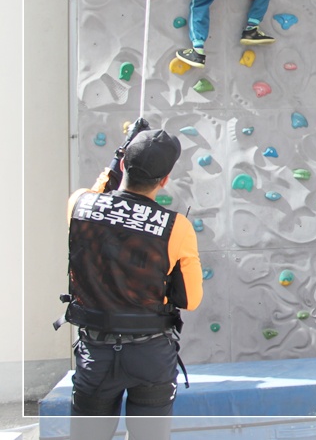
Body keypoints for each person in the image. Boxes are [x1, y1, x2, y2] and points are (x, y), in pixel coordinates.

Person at [58, 128, 203, 440]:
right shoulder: (176, 226)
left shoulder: (78, 204)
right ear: (165, 180)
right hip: (151, 355)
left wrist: (119, 151)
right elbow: (190, 300)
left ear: (123, 164)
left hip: (96, 352)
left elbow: (96, 195)